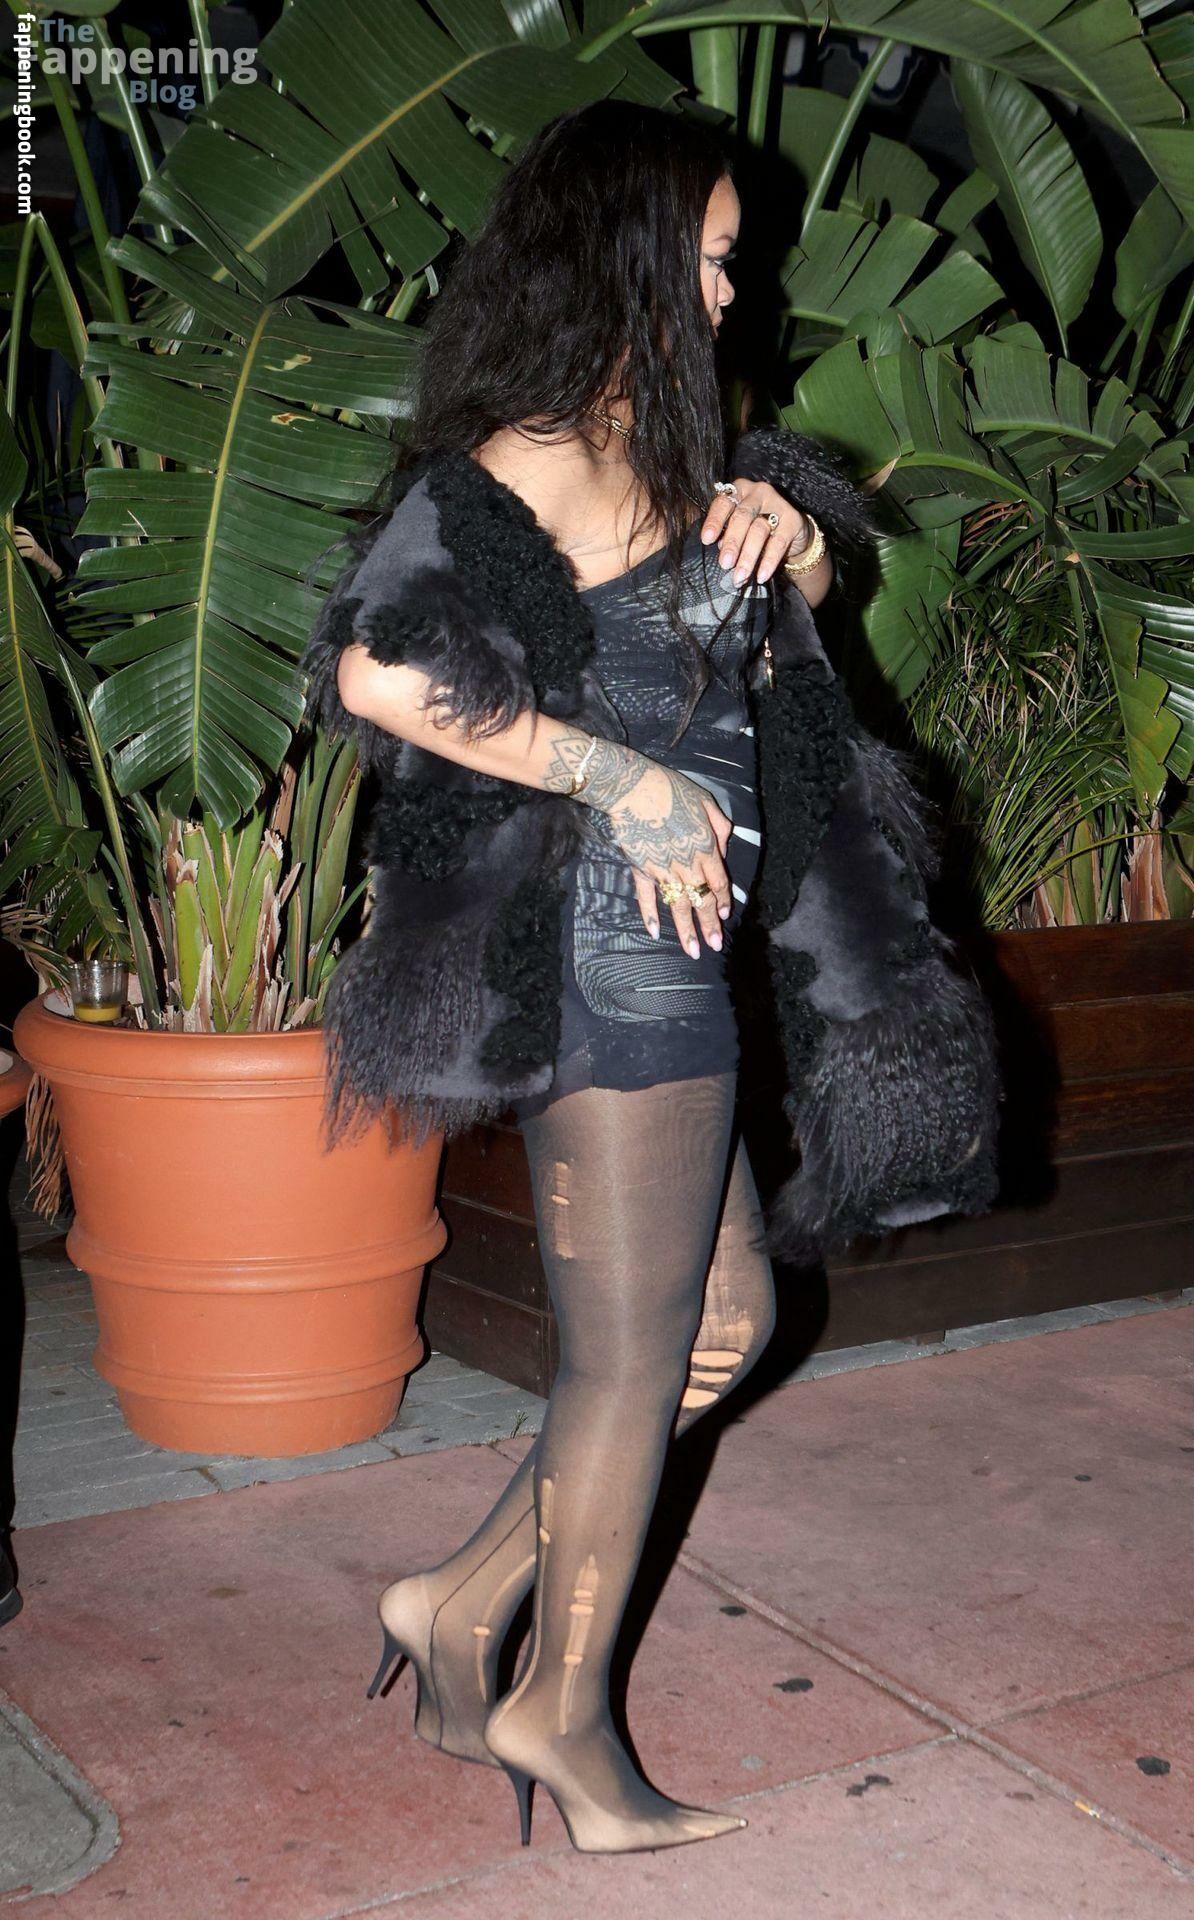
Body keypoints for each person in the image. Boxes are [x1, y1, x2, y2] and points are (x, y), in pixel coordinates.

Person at [303, 101, 1001, 1858]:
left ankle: (458, 1603)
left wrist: (788, 532)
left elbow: (799, 614)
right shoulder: (529, 457)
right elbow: (378, 673)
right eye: (700, 256)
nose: (724, 288)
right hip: (605, 955)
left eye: (727, 260)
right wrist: (619, 780)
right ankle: (560, 1711)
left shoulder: (680, 452)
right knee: (632, 1362)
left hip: (688, 955)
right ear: (612, 256)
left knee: (729, 1323)